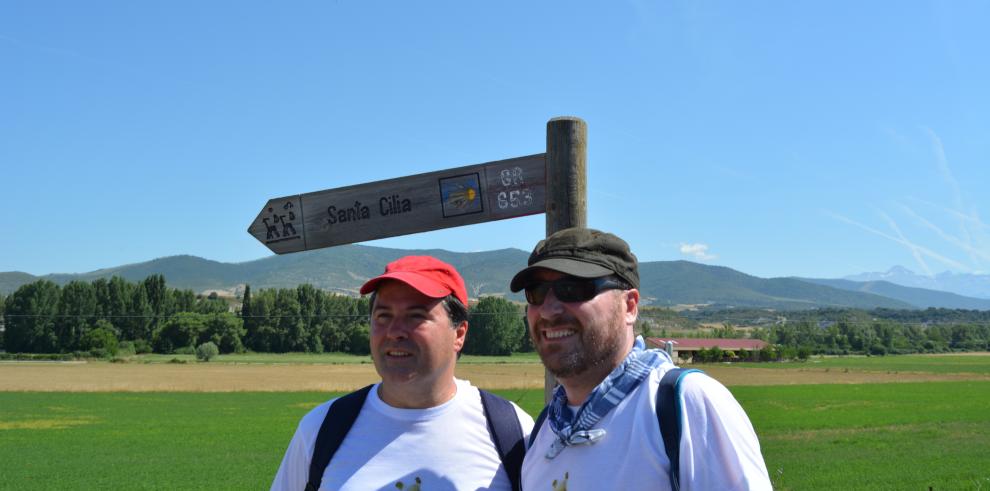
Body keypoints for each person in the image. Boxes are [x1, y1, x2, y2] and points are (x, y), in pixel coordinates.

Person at [511, 228, 772, 491]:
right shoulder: (545, 432)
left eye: (573, 289)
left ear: (630, 306)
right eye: (536, 292)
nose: (548, 309)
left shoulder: (685, 403)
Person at [272, 255, 534, 491]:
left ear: (459, 334)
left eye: (415, 316)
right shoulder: (321, 430)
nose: (395, 331)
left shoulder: (512, 431)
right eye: (383, 316)